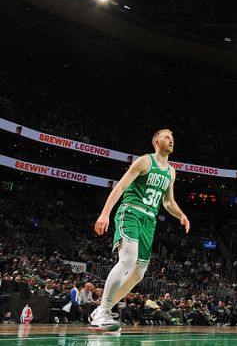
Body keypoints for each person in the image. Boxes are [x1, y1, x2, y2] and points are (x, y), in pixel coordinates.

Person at [90, 129, 190, 331]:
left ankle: (103, 308)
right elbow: (120, 187)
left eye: (172, 137)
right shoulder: (145, 161)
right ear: (156, 142)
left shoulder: (171, 171)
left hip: (149, 220)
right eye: (166, 137)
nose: (171, 139)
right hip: (132, 211)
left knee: (139, 273)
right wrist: (104, 213)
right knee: (127, 258)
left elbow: (168, 202)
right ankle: (102, 312)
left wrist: (181, 215)